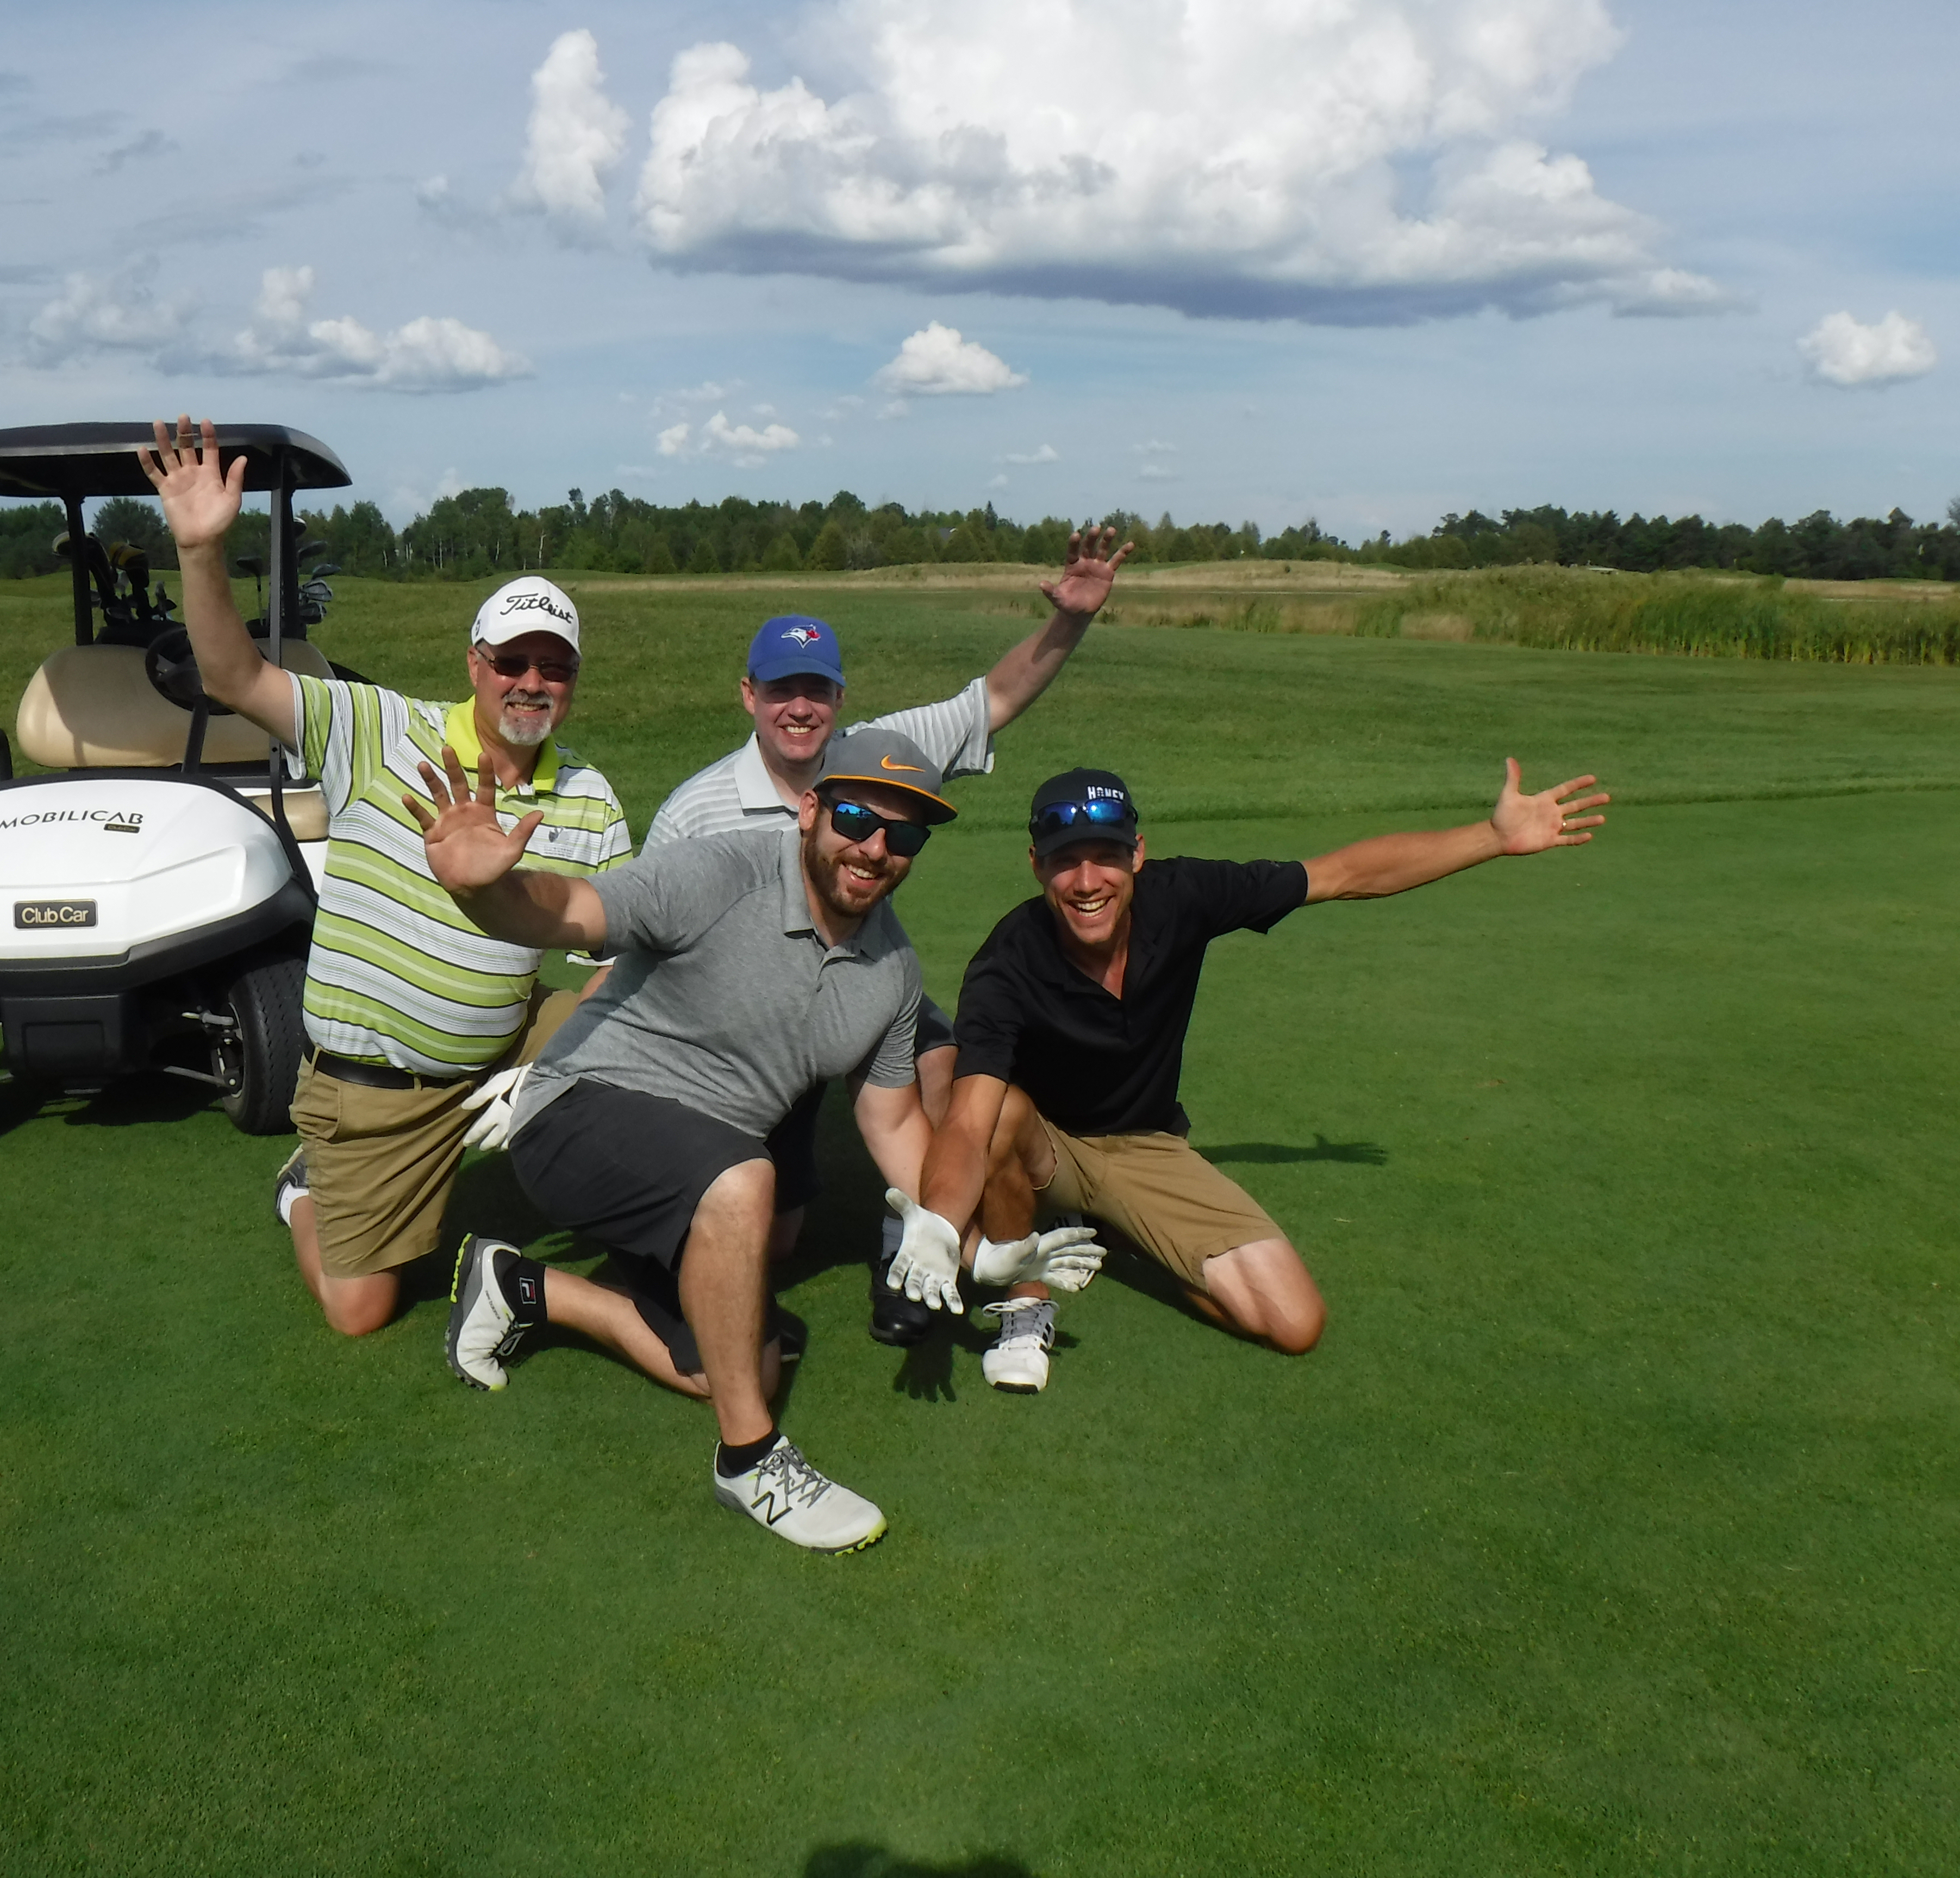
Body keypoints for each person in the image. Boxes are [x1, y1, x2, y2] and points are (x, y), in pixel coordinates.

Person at [407, 727, 1102, 1551]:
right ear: (810, 809)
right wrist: (484, 892)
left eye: (904, 834)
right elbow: (566, 910)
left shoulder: (893, 974)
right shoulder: (719, 873)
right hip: (579, 1115)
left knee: (737, 1366)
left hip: (697, 1172)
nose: (875, 848)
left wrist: (970, 1247)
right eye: (855, 818)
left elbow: (895, 1124)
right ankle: (750, 1463)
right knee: (746, 1182)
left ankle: (523, 1288)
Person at [888, 758, 1612, 1392]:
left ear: (1137, 854)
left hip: (1145, 1147)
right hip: (1042, 1143)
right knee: (1004, 1108)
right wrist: (942, 1230)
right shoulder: (1006, 963)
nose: (1086, 880)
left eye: (1105, 855)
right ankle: (1024, 1304)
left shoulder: (1187, 896)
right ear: (1037, 864)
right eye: (1065, 858)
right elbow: (972, 1120)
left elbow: (1341, 877)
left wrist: (1491, 837)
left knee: (1293, 1322)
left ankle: (1122, 1231)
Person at [139, 416, 631, 1336]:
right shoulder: (375, 728)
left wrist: (562, 1058)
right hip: (378, 1083)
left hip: (505, 1045)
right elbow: (234, 674)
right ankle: (304, 1190)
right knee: (359, 1311)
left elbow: (636, 945)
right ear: (474, 666)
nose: (532, 682)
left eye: (554, 668)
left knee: (652, 1035)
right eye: (513, 662)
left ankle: (636, 1220)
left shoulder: (592, 799)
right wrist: (201, 550)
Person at [641, 527, 1136, 1347]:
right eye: (780, 690)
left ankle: (920, 1249)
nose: (800, 707)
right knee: (780, 1236)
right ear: (749, 696)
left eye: (818, 690)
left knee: (941, 1057)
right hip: (750, 1034)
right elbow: (642, 951)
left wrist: (1071, 621)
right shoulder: (697, 810)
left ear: (838, 699)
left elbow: (996, 700)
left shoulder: (878, 756)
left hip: (864, 995)